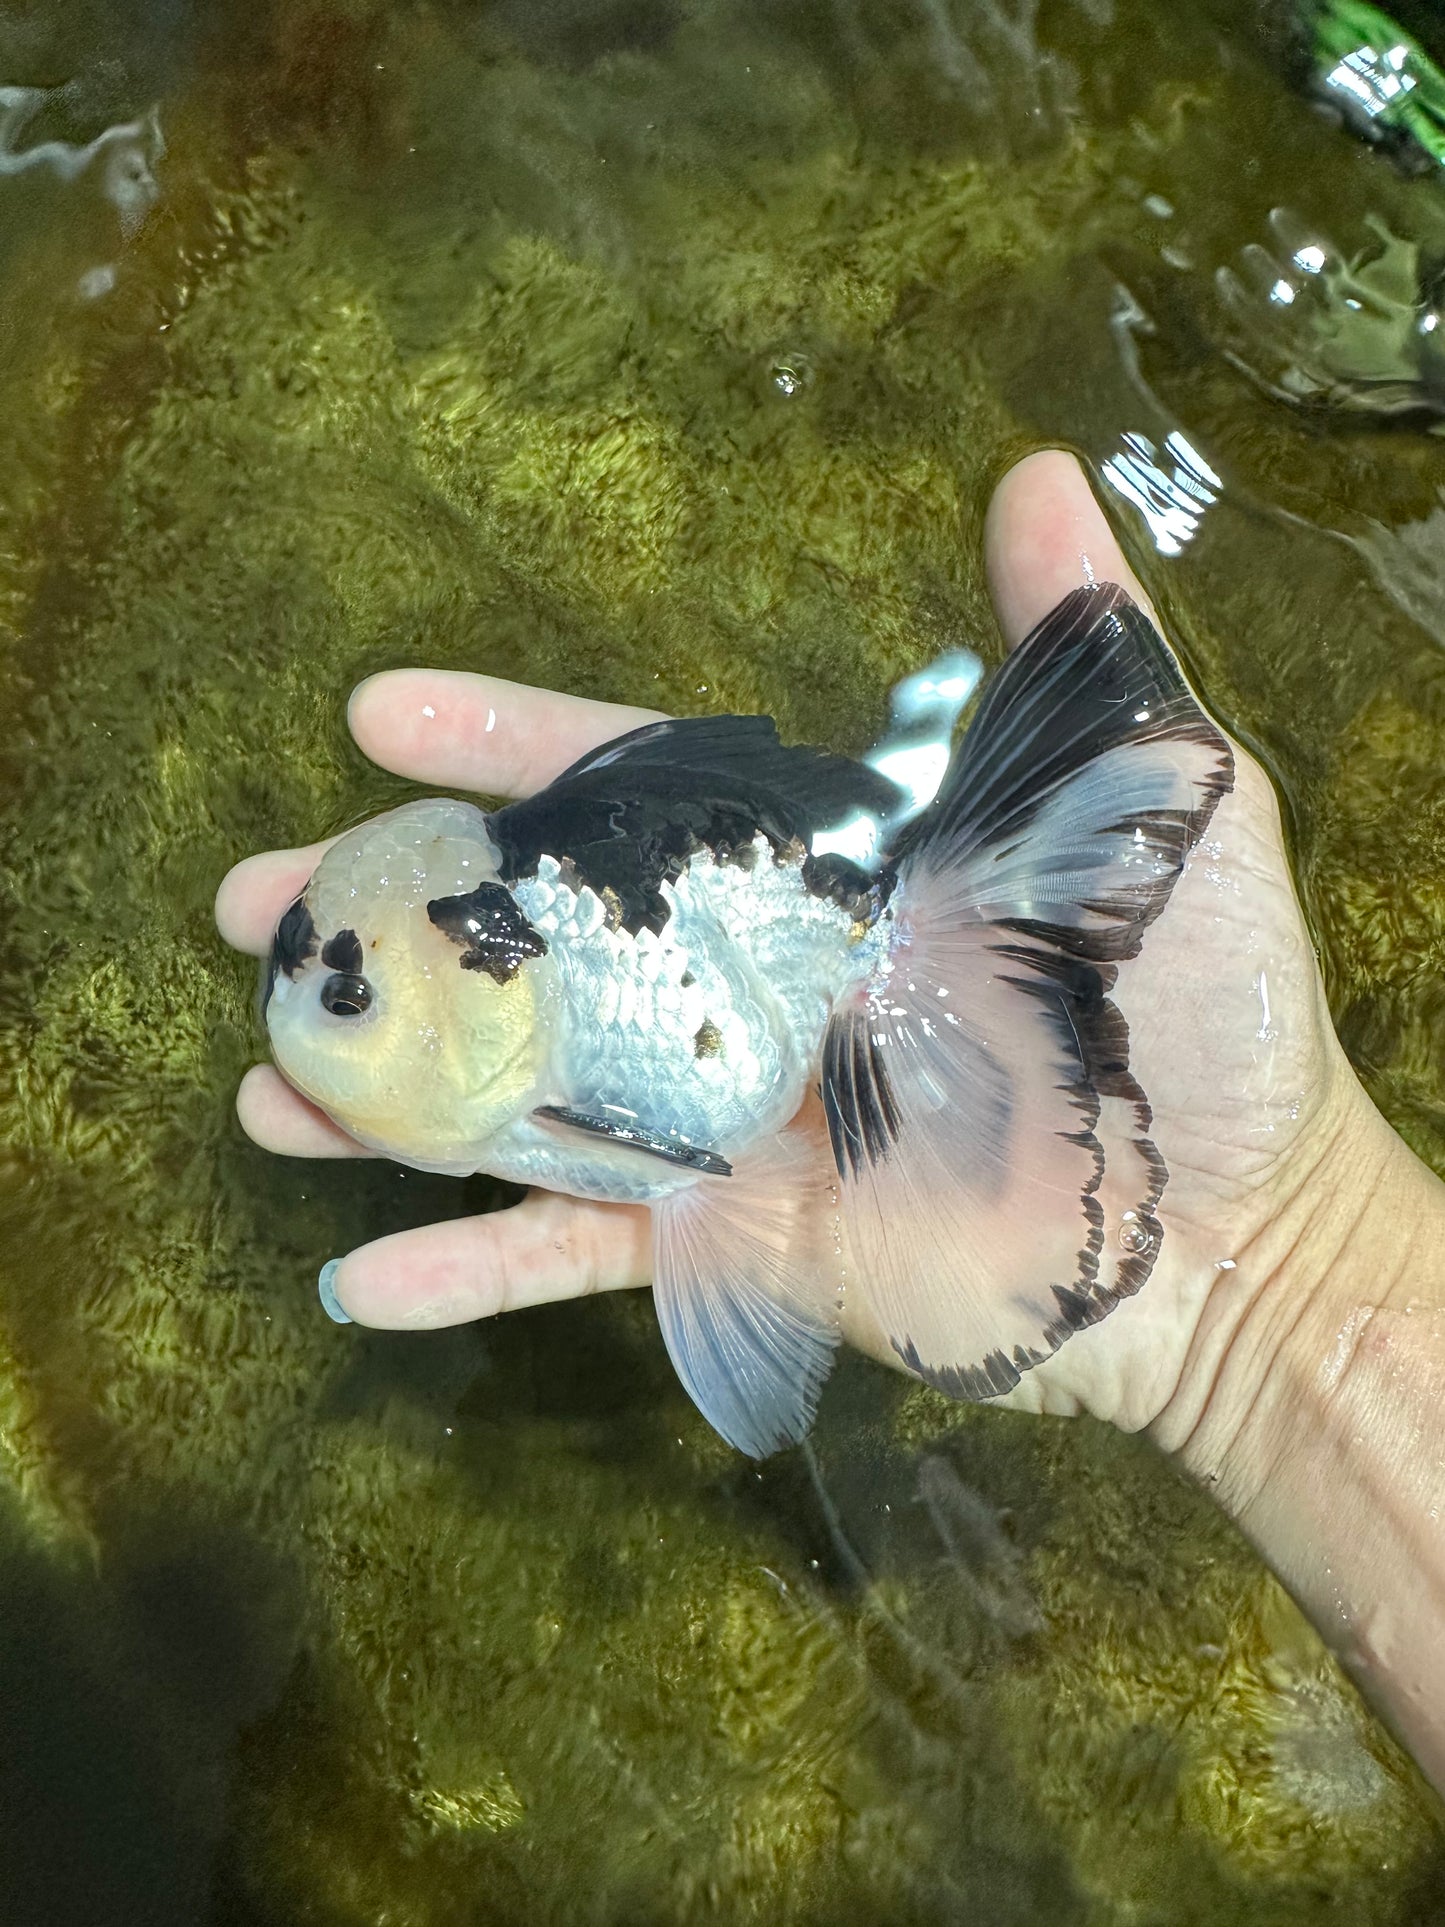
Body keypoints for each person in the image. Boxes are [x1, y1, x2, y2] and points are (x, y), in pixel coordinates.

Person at [216, 450, 1445, 1797]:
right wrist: (1265, 1296)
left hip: (799, 941)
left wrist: (1273, 1275)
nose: (321, 1009)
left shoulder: (554, 1039)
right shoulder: (495, 1021)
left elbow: (701, 1181)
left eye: (353, 995)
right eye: (338, 982)